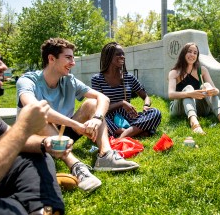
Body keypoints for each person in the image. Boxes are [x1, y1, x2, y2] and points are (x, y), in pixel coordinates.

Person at [16, 38, 139, 193]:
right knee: (38, 114)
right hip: (35, 140)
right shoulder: (28, 80)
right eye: (68, 58)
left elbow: (103, 98)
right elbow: (35, 108)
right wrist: (76, 125)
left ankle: (105, 156)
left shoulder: (69, 80)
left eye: (73, 57)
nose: (73, 62)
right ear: (51, 59)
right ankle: (76, 167)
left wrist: (96, 118)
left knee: (92, 104)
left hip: (62, 134)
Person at [0, 32, 65, 214]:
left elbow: (9, 139)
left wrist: (45, 144)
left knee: (36, 155)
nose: (4, 67)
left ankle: (42, 210)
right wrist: (23, 128)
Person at [91, 42, 162, 138]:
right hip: (108, 118)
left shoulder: (129, 77)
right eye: (118, 54)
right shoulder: (97, 79)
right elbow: (98, 108)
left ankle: (122, 135)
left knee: (155, 113)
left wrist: (146, 105)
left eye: (123, 54)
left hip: (128, 118)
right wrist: (121, 103)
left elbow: (145, 96)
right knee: (98, 119)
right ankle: (136, 132)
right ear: (108, 56)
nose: (122, 56)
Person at [168, 42, 220, 135]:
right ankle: (195, 125)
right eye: (189, 51)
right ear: (183, 53)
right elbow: (171, 95)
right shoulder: (175, 72)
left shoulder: (202, 70)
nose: (192, 55)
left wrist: (214, 91)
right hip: (179, 109)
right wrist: (190, 94)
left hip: (199, 108)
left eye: (195, 53)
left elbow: (216, 90)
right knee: (188, 88)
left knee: (206, 85)